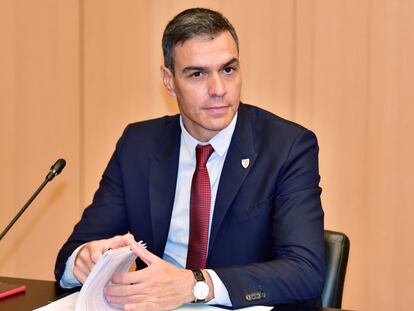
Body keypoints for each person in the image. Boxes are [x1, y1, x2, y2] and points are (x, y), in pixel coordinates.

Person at [55, 7, 324, 310]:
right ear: (169, 80)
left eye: (228, 70)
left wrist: (197, 284)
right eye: (197, 74)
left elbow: (305, 271)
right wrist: (82, 259)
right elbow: (74, 250)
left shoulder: (287, 147)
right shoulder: (139, 145)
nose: (218, 90)